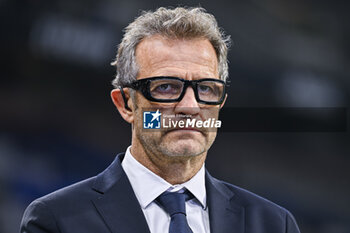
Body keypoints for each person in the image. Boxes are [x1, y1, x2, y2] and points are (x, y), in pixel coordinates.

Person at [20, 7, 300, 233]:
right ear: (126, 103)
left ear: (220, 103)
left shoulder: (274, 224)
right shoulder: (56, 220)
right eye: (166, 87)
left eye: (205, 89)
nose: (190, 107)